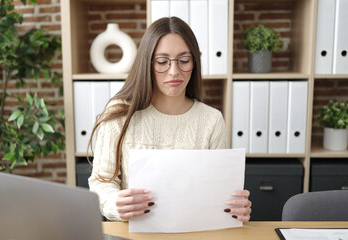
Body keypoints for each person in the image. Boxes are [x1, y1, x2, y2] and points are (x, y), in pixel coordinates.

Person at [88, 17, 252, 222]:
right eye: (162, 62)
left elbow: (218, 193)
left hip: (193, 232)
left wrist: (235, 209)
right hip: (133, 232)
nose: (174, 72)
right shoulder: (120, 113)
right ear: (147, 63)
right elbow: (101, 182)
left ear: (194, 63)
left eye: (183, 61)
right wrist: (114, 203)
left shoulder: (211, 120)